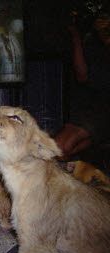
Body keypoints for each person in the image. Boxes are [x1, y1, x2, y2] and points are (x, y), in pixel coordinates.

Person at [54, 10, 110, 161]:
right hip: (99, 105)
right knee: (59, 149)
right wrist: (76, 37)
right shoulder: (91, 41)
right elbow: (82, 76)